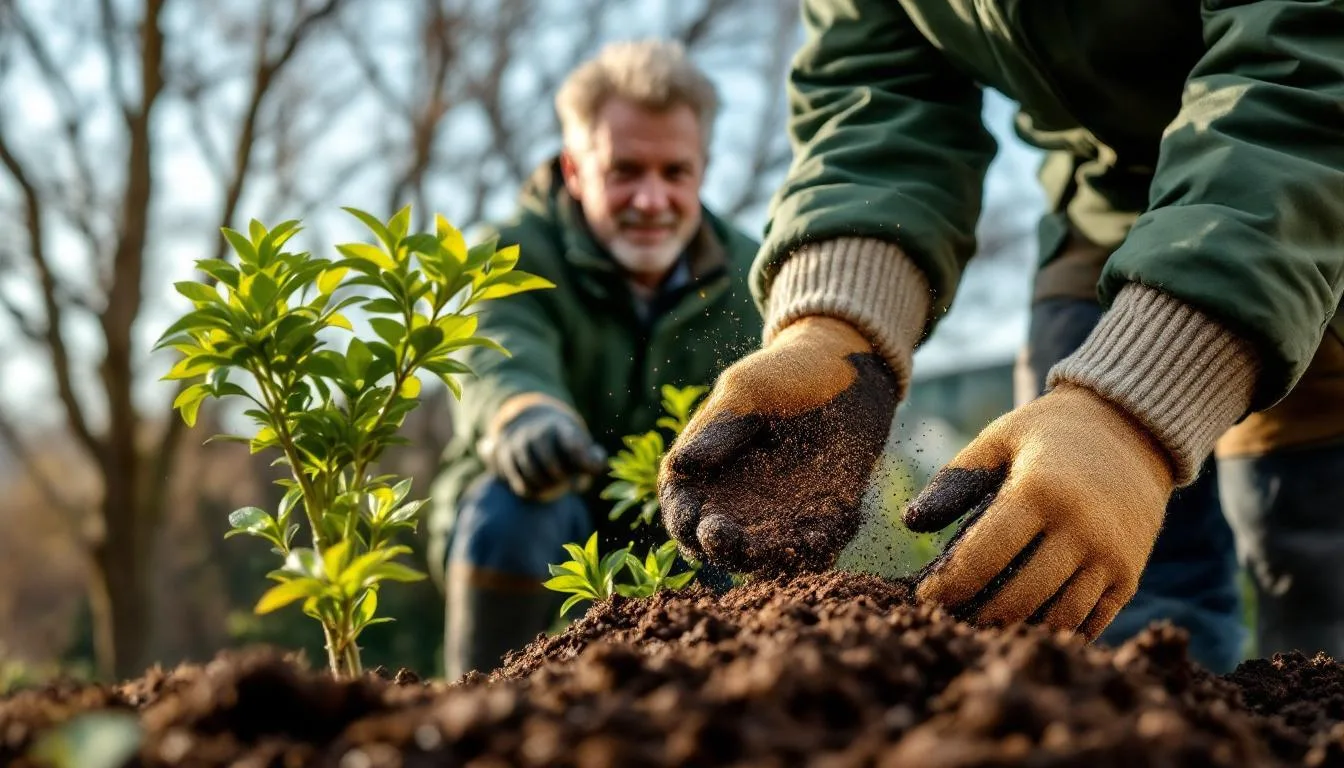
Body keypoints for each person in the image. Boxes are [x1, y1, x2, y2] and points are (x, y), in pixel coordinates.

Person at [659, 0, 1344, 667]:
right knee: (1093, 626)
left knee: (1316, 585)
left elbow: (1306, 74)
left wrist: (1133, 409)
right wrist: (833, 326)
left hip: (1312, 199)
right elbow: (875, 100)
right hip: (1104, 212)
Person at [429, 39, 763, 679]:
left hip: (678, 517)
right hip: (542, 516)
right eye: (624, 171)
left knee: (734, 526)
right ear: (575, 170)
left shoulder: (749, 279)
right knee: (514, 509)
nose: (651, 200)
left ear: (703, 169)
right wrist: (527, 418)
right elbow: (500, 352)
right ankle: (476, 710)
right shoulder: (510, 254)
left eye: (675, 173)